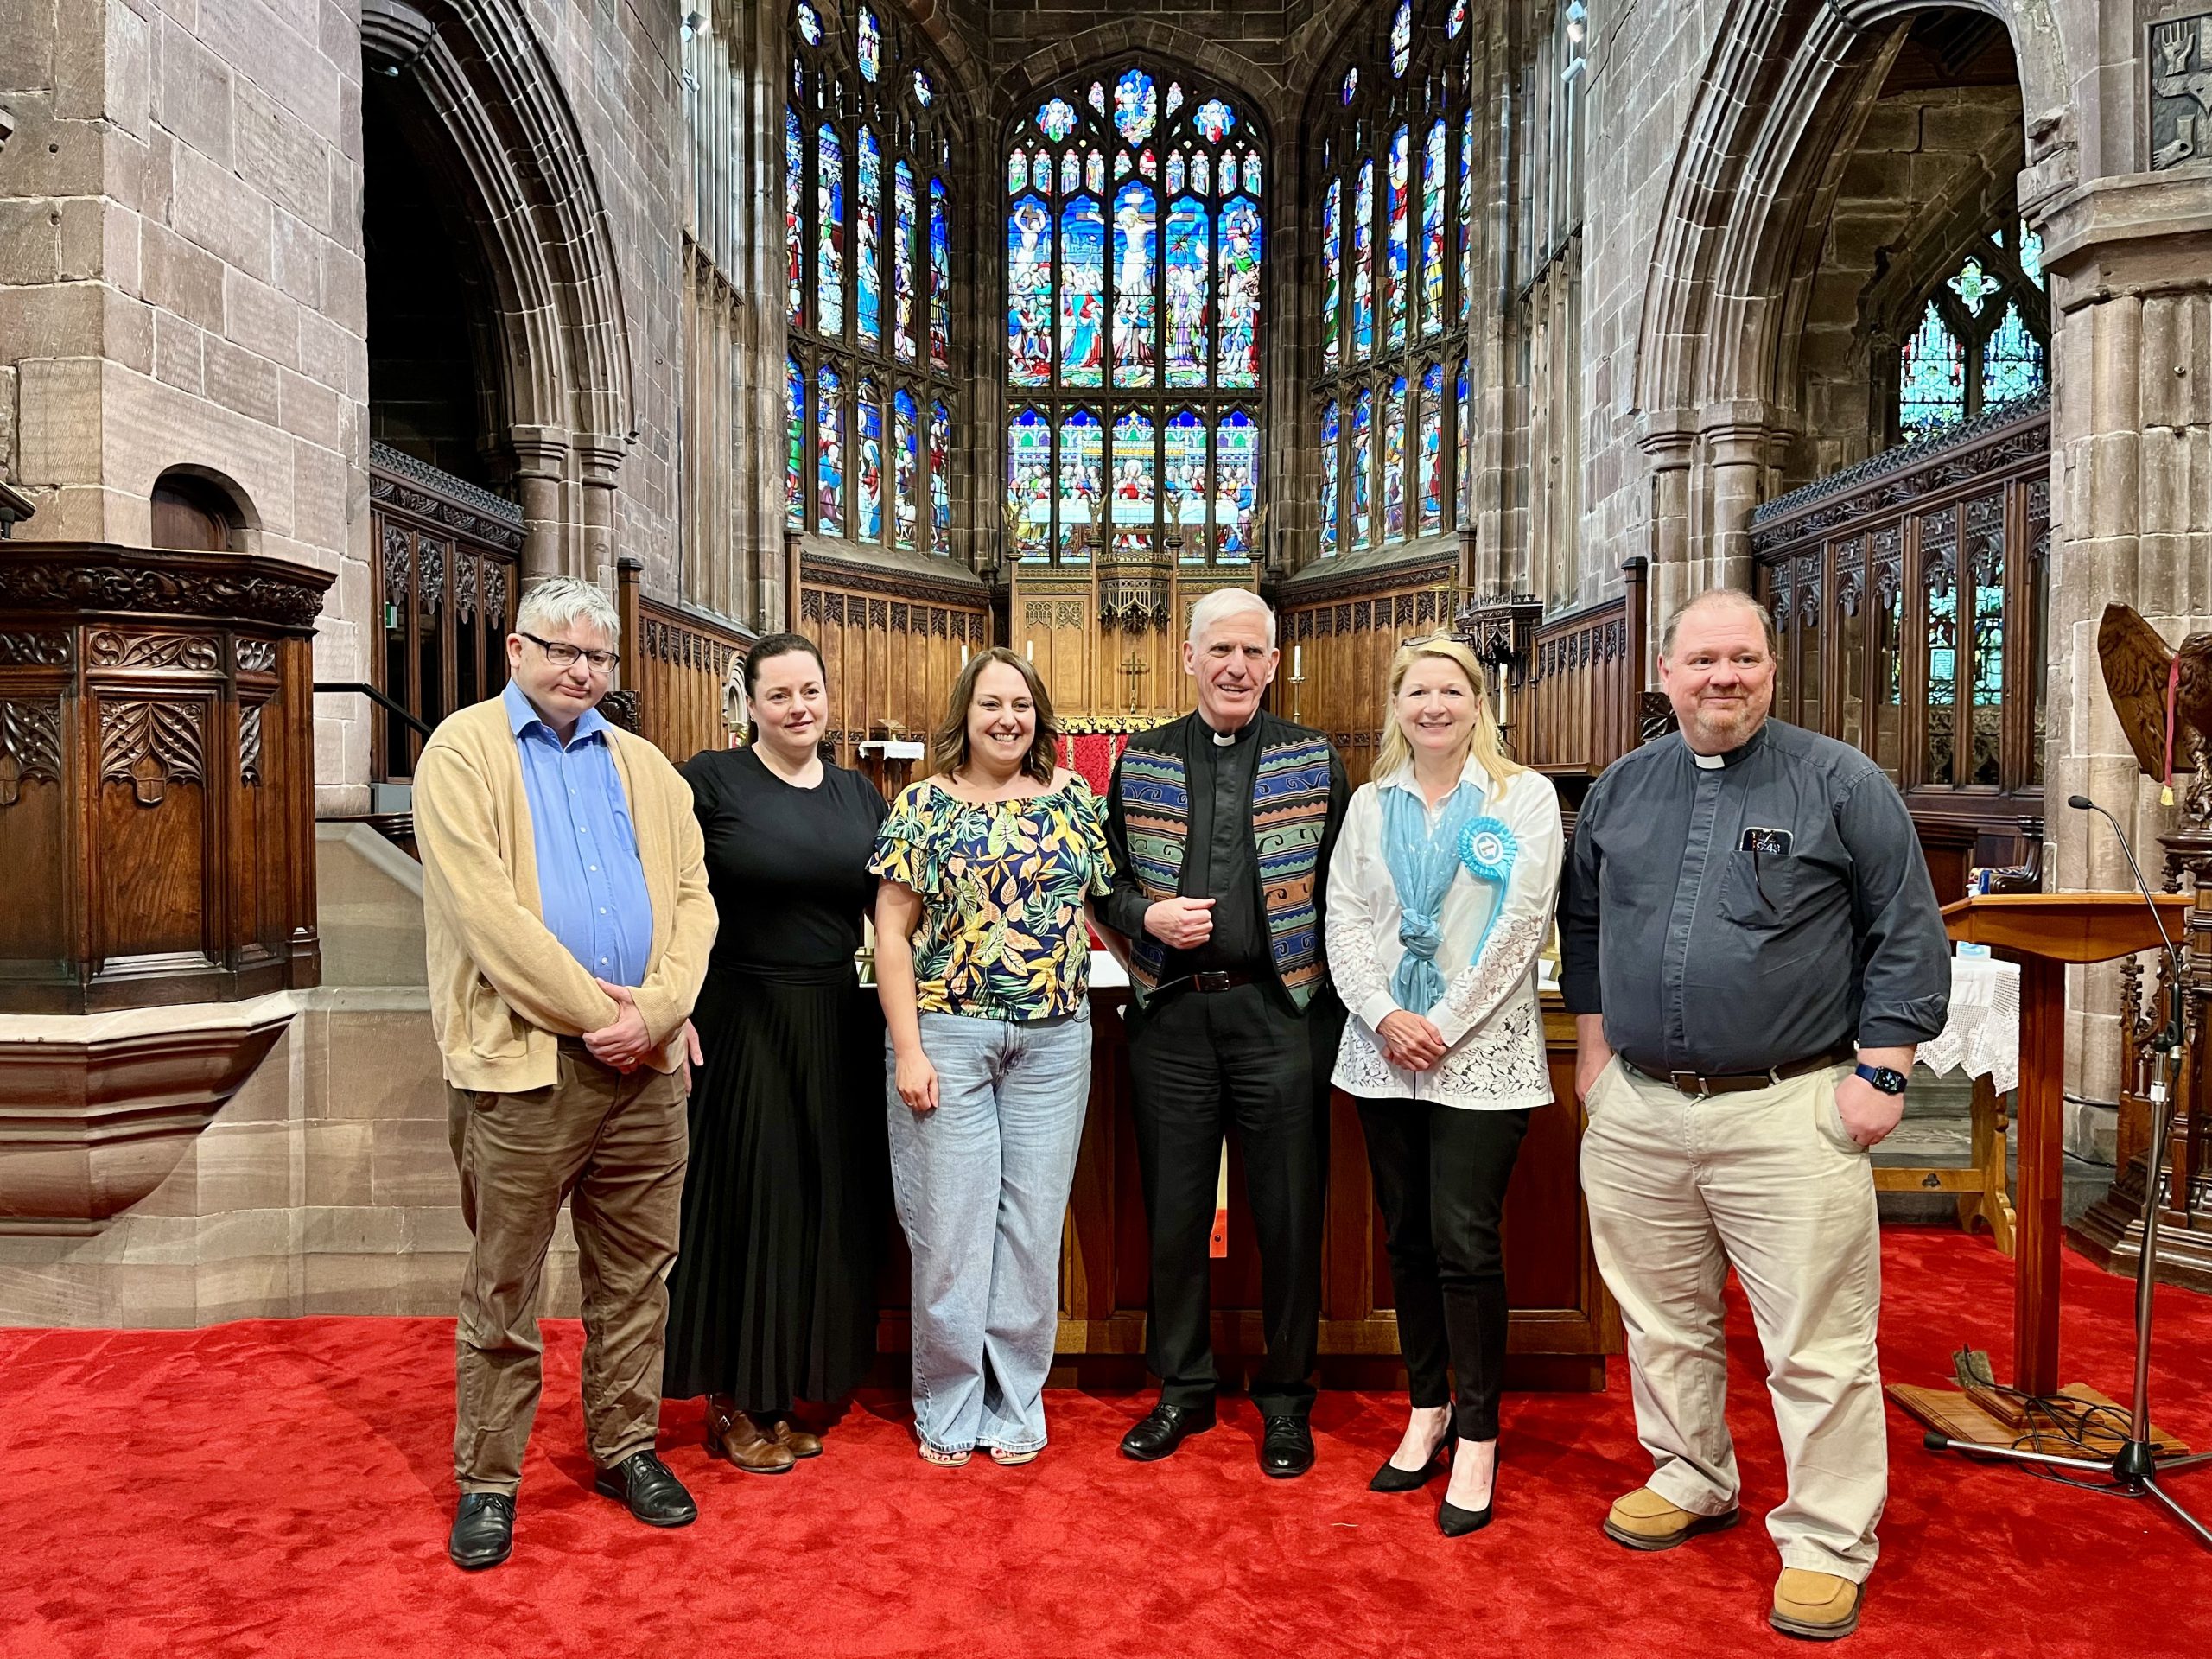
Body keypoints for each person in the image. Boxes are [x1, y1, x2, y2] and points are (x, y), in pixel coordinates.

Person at [1559, 587, 1949, 1641]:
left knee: (1814, 1343)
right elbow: (1583, 923)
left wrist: (1881, 1075)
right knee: (1661, 1320)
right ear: (1667, 672)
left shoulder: (1838, 781)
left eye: (1741, 659)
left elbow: (1906, 929)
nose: (1721, 678)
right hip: (1640, 1108)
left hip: (1787, 1107)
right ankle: (1691, 1475)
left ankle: (1826, 1536)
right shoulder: (1622, 788)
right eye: (1701, 661)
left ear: (1770, 668)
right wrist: (1594, 1058)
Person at [412, 576, 718, 1572]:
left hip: (648, 1071)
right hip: (526, 1069)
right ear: (515, 649)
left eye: (596, 657)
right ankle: (490, 1479)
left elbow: (692, 898)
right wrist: (605, 1020)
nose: (579, 670)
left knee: (636, 1278)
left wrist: (660, 1013)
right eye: (560, 651)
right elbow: (487, 917)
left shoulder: (644, 765)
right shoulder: (463, 752)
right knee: (504, 1282)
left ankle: (626, 1447)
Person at [1100, 588, 1349, 1478]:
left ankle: (1285, 1399)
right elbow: (1105, 879)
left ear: (1273, 663)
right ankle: (1183, 1390)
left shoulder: (1313, 760)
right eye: (1220, 651)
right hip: (1172, 1015)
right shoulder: (1142, 759)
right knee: (1173, 1212)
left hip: (1279, 1012)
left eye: (1252, 651)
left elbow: (1346, 888)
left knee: (1287, 1212)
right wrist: (1147, 914)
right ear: (1189, 658)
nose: (1236, 666)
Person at [1325, 636, 1563, 1535]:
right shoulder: (1368, 802)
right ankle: (1425, 1407)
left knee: (1465, 1240)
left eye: (1449, 690)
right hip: (1383, 1053)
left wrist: (1442, 1024)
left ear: (1476, 702)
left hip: (1478, 1056)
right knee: (1408, 1239)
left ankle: (1476, 1432)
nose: (1433, 705)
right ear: (1396, 705)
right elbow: (1343, 916)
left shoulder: (1522, 797)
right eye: (1416, 691)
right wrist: (1386, 1013)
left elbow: (1519, 925)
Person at [870, 648, 1116, 1467]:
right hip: (950, 1033)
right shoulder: (921, 807)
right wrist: (908, 1048)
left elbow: (1103, 909)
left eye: (1021, 704)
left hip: (1054, 1041)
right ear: (964, 717)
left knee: (1029, 1229)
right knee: (950, 1229)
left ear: (1039, 715)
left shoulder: (1075, 800)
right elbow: (892, 934)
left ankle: (1016, 1401)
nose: (1007, 719)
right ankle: (946, 1400)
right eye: (990, 705)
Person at [661, 634, 889, 1474]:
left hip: (834, 1019)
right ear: (750, 704)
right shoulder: (709, 783)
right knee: (747, 1204)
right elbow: (670, 897)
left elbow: (891, 916)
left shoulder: (857, 794)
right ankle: (731, 1400)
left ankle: (787, 1389)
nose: (800, 708)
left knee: (820, 1206)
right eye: (780, 694)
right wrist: (670, 1001)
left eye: (811, 692)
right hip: (741, 1014)